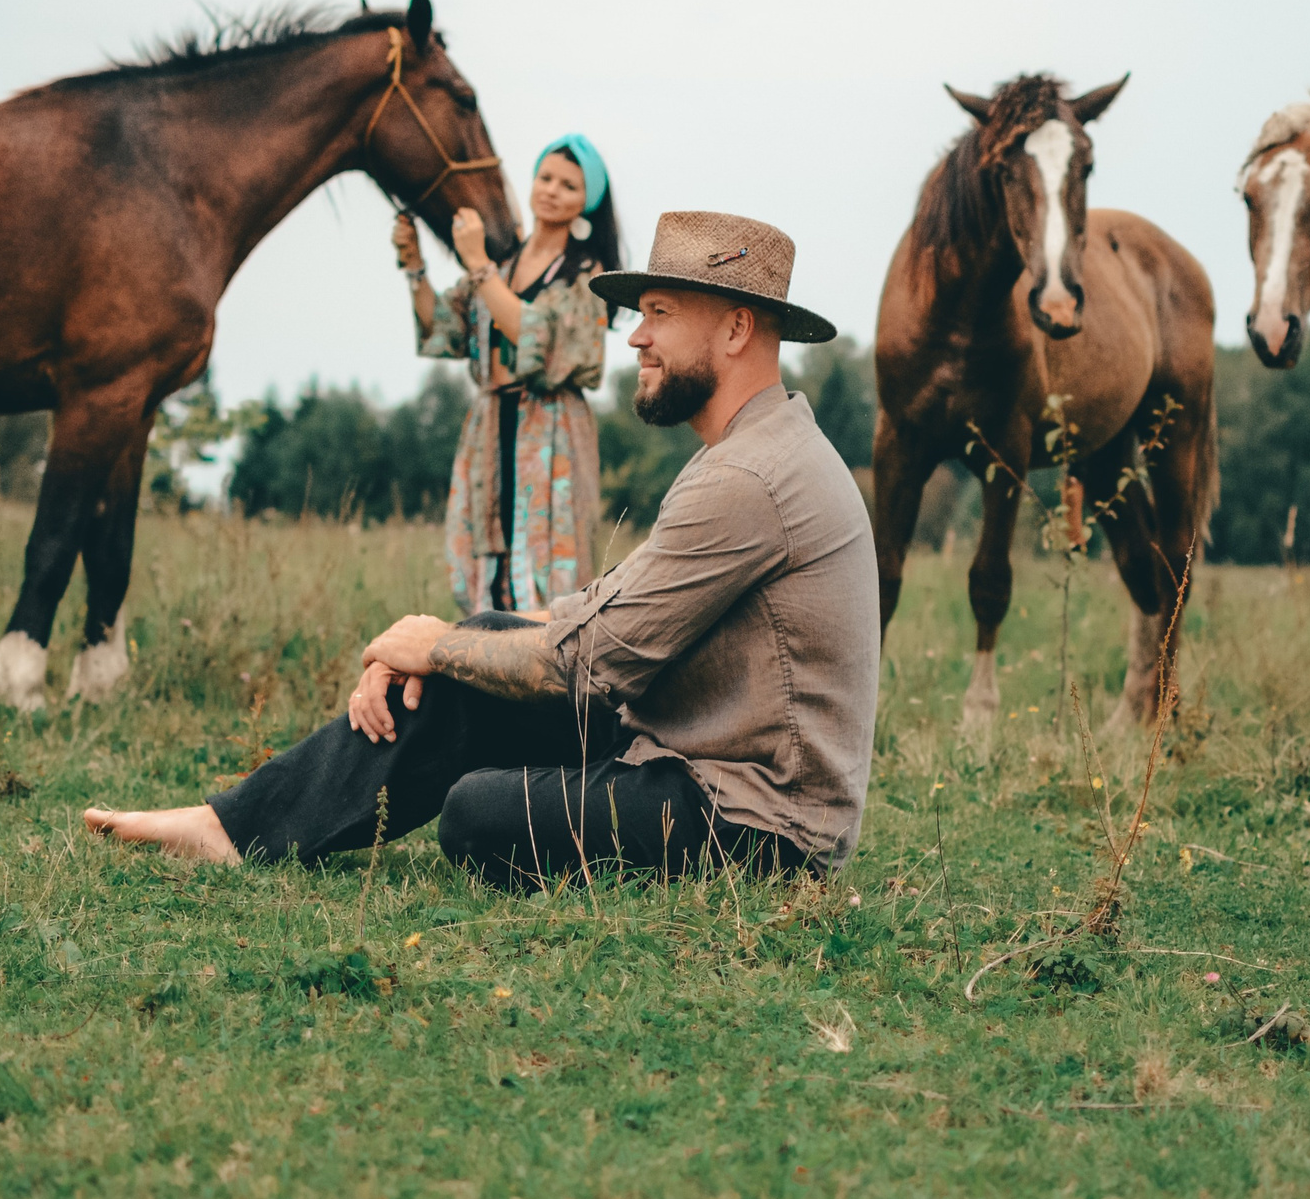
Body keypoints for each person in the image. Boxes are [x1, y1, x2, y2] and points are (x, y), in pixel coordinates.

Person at [86, 211, 878, 887]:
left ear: (736, 327)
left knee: (478, 811)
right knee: (488, 638)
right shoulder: (751, 452)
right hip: (690, 756)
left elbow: (588, 662)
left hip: (759, 825)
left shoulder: (749, 477)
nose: (636, 337)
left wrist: (437, 646)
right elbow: (600, 612)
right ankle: (233, 828)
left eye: (660, 313)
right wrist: (444, 644)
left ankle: (241, 828)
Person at [399, 134, 618, 615]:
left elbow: (534, 334)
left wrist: (477, 263)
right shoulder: (504, 263)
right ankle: (486, 648)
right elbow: (443, 326)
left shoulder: (585, 274)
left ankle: (547, 655)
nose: (552, 191)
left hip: (551, 427)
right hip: (491, 422)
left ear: (587, 203)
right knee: (484, 553)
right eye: (545, 178)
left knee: (548, 561)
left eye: (569, 185)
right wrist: (414, 265)